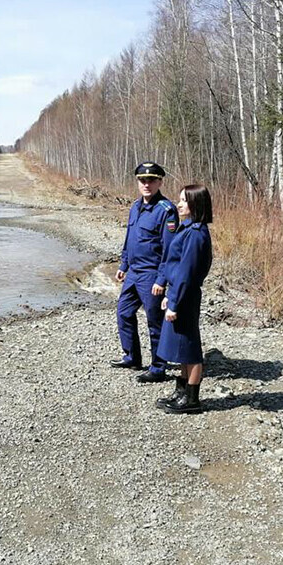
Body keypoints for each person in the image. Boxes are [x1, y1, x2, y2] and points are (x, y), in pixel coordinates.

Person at [110, 162, 179, 383]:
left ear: (160, 182)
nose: (146, 184)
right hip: (133, 273)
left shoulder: (166, 211)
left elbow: (169, 251)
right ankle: (132, 356)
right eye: (142, 180)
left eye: (151, 180)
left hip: (151, 275)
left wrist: (161, 279)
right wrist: (123, 264)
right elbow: (130, 239)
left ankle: (158, 368)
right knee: (124, 313)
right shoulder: (135, 207)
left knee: (155, 322)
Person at [155, 184, 213, 413]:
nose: (179, 204)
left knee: (190, 348)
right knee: (180, 348)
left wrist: (175, 302)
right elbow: (176, 268)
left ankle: (191, 399)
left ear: (195, 204)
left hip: (186, 296)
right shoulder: (187, 228)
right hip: (179, 293)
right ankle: (181, 392)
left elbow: (186, 273)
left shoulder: (196, 233)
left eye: (184, 201)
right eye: (180, 200)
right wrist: (170, 295)